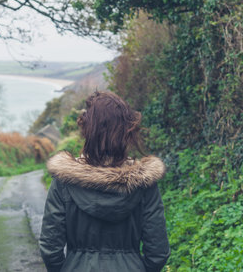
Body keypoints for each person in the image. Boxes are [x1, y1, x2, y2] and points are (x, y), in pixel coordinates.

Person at [39, 91, 170, 272]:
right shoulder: (143, 182)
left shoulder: (65, 180)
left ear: (87, 131)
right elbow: (158, 252)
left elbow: (50, 247)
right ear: (126, 131)